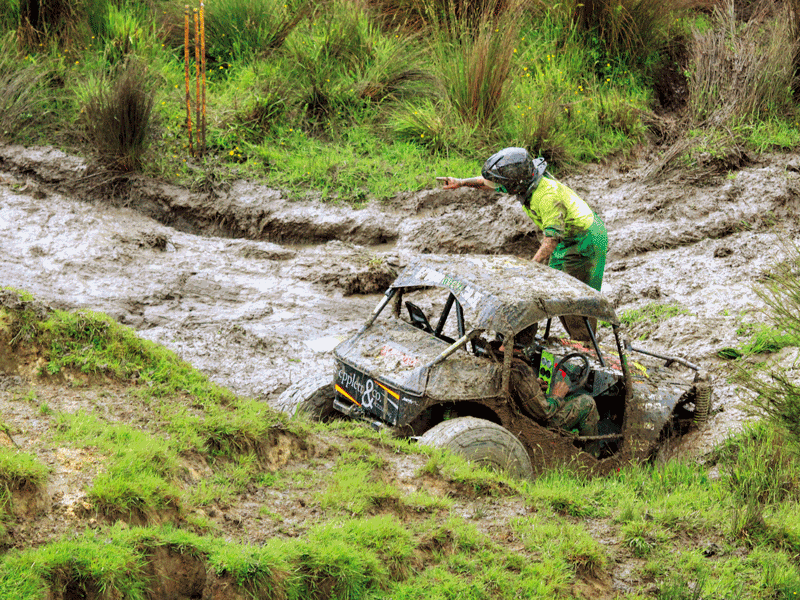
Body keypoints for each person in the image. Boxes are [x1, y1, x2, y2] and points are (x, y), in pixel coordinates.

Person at [440, 147, 608, 340]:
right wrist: (460, 183)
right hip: (567, 238)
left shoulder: (546, 196)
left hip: (586, 239)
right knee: (555, 291)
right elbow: (490, 184)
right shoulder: (527, 180)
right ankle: (579, 338)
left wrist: (531, 267)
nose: (499, 187)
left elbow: (551, 240)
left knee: (573, 296)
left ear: (515, 184)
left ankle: (586, 345)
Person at [510, 358, 599, 439]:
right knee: (588, 403)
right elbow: (544, 413)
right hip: (538, 424)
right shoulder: (520, 369)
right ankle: (591, 454)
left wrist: (535, 385)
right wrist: (556, 397)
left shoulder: (507, 363)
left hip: (524, 414)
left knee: (574, 398)